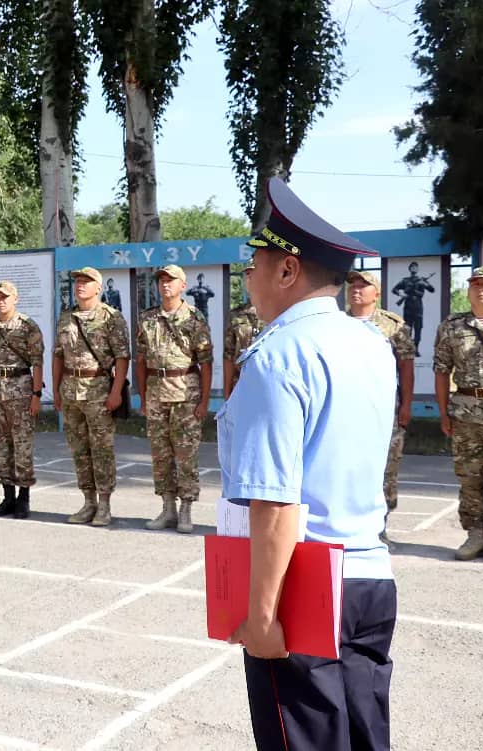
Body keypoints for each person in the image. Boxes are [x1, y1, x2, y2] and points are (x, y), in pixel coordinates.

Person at [220, 178, 397, 751]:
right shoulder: (371, 344)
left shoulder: (277, 355)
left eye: (255, 263)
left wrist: (263, 614)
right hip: (370, 576)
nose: (247, 276)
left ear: (288, 271)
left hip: (306, 585)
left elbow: (275, 501)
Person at [433, 265, 483, 563]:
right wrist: (443, 412)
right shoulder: (452, 326)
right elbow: (442, 371)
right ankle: (475, 535)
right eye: (476, 284)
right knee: (469, 478)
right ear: (468, 290)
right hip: (465, 414)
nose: (481, 289)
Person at [137, 265, 213, 534]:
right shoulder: (147, 318)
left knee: (186, 454)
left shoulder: (194, 318)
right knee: (160, 454)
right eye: (162, 280)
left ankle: (186, 509)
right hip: (156, 392)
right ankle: (167, 507)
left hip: (185, 392)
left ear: (183, 285)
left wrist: (204, 401)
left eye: (171, 280)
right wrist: (143, 397)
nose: (165, 284)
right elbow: (142, 360)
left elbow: (206, 362)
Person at [53, 267, 130, 527]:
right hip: (70, 389)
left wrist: (116, 391)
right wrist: (56, 389)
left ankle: (105, 504)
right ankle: (88, 501)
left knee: (102, 449)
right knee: (79, 450)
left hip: (98, 389)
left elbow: (122, 357)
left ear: (98, 287)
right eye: (77, 281)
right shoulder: (66, 317)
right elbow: (58, 356)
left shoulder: (111, 317)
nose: (80, 285)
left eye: (87, 281)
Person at [347, 270, 416, 550]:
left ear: (376, 293)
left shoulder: (392, 326)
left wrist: (406, 405)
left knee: (385, 469)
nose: (356, 289)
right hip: (345, 410)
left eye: (364, 285)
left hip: (383, 410)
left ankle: (379, 528)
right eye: (352, 284)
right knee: (347, 467)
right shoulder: (334, 323)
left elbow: (406, 367)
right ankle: (348, 526)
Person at [0, 280, 45, 519]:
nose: (1, 300)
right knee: (1, 446)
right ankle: (7, 496)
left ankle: (23, 498)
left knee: (22, 445)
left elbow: (37, 363)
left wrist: (36, 395)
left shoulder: (28, 327)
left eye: (5, 296)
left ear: (15, 298)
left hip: (21, 391)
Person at [222, 261, 263, 400]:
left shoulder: (279, 312)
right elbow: (228, 354)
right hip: (241, 386)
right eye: (247, 275)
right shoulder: (236, 314)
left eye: (254, 273)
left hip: (268, 384)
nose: (250, 278)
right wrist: (227, 392)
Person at [391, 260, 435, 354]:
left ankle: (416, 349)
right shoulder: (405, 280)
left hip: (418, 306)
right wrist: (401, 295)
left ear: (418, 269)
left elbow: (432, 290)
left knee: (418, 328)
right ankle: (408, 348)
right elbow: (394, 289)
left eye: (416, 267)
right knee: (408, 328)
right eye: (412, 267)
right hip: (408, 305)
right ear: (409, 269)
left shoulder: (421, 280)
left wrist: (427, 281)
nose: (414, 268)